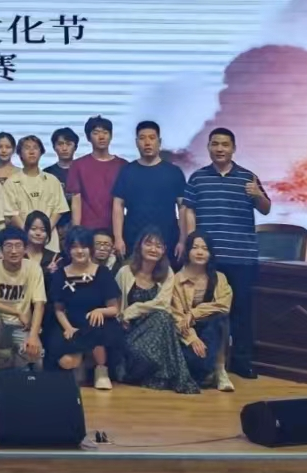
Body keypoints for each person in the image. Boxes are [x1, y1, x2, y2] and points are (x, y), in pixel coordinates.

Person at [181, 127, 269, 380]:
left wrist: (258, 195)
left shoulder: (248, 177)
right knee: (206, 311)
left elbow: (265, 208)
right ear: (208, 147)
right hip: (208, 259)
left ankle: (241, 362)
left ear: (233, 148)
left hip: (242, 257)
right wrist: (191, 245)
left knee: (242, 311)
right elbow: (188, 211)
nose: (220, 148)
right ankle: (205, 363)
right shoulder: (197, 178)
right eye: (215, 144)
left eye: (225, 144)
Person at [113, 226, 197, 394]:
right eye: (149, 244)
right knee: (162, 318)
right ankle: (161, 376)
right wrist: (123, 317)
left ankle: (158, 376)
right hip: (128, 330)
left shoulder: (167, 272)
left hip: (156, 330)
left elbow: (164, 304)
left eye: (158, 246)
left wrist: (135, 308)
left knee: (163, 317)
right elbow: (115, 305)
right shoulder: (125, 271)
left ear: (164, 250)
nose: (153, 249)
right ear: (139, 246)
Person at [46, 227, 122, 390]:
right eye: (74, 247)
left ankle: (101, 370)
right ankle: (82, 361)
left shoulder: (103, 272)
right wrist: (68, 327)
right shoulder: (60, 275)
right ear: (68, 249)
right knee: (66, 362)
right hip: (71, 324)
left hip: (96, 323)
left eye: (84, 246)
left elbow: (114, 309)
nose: (80, 251)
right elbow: (58, 309)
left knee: (98, 331)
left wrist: (100, 311)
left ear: (91, 249)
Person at [112, 120, 189, 260]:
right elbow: (118, 205)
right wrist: (118, 238)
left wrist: (183, 240)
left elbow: (183, 208)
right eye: (142, 138)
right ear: (136, 142)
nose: (147, 143)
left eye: (152, 138)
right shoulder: (127, 171)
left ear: (159, 142)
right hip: (133, 239)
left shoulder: (174, 172)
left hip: (167, 240)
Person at [0, 224, 47, 375]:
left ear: (25, 249)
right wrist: (17, 311)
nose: (13, 251)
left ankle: (12, 362)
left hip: (21, 327)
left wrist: (33, 336)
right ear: (1, 249)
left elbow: (39, 305)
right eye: (8, 246)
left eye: (18, 246)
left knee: (37, 358)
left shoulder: (34, 268)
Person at [172, 231, 235, 391]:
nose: (200, 252)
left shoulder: (219, 277)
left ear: (210, 253)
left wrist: (194, 313)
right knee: (199, 367)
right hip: (186, 332)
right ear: (187, 251)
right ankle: (206, 371)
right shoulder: (177, 279)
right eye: (195, 248)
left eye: (205, 248)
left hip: (211, 329)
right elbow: (176, 315)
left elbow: (224, 305)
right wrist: (192, 338)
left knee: (221, 318)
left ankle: (220, 370)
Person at [4, 134, 69, 252]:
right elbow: (11, 213)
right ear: (19, 154)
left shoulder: (52, 180)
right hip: (22, 239)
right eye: (27, 148)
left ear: (41, 152)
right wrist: (29, 233)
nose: (32, 151)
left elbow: (59, 210)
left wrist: (45, 231)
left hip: (49, 239)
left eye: (35, 148)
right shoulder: (11, 182)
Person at [68, 116, 126, 238]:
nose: (101, 137)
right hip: (86, 230)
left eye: (105, 132)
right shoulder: (78, 165)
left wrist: (119, 236)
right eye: (96, 133)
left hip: (115, 229)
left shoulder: (123, 165)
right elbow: (76, 201)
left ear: (111, 136)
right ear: (88, 137)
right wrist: (76, 232)